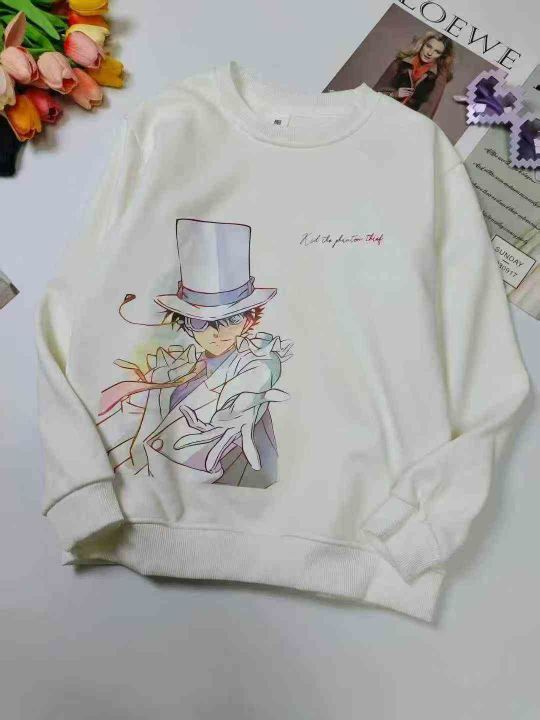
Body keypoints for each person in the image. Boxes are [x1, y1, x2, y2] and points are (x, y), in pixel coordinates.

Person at [97, 218, 293, 489]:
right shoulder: (176, 369)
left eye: (231, 319)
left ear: (249, 320)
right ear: (187, 324)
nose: (216, 333)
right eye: (201, 322)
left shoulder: (256, 364)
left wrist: (244, 401)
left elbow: (261, 373)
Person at [374, 31, 455, 118]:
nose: (430, 53)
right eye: (428, 46)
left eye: (437, 52)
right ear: (422, 44)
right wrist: (394, 94)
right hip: (382, 111)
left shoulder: (439, 77)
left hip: (407, 121)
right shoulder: (400, 63)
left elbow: (428, 111)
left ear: (442, 56)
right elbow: (375, 92)